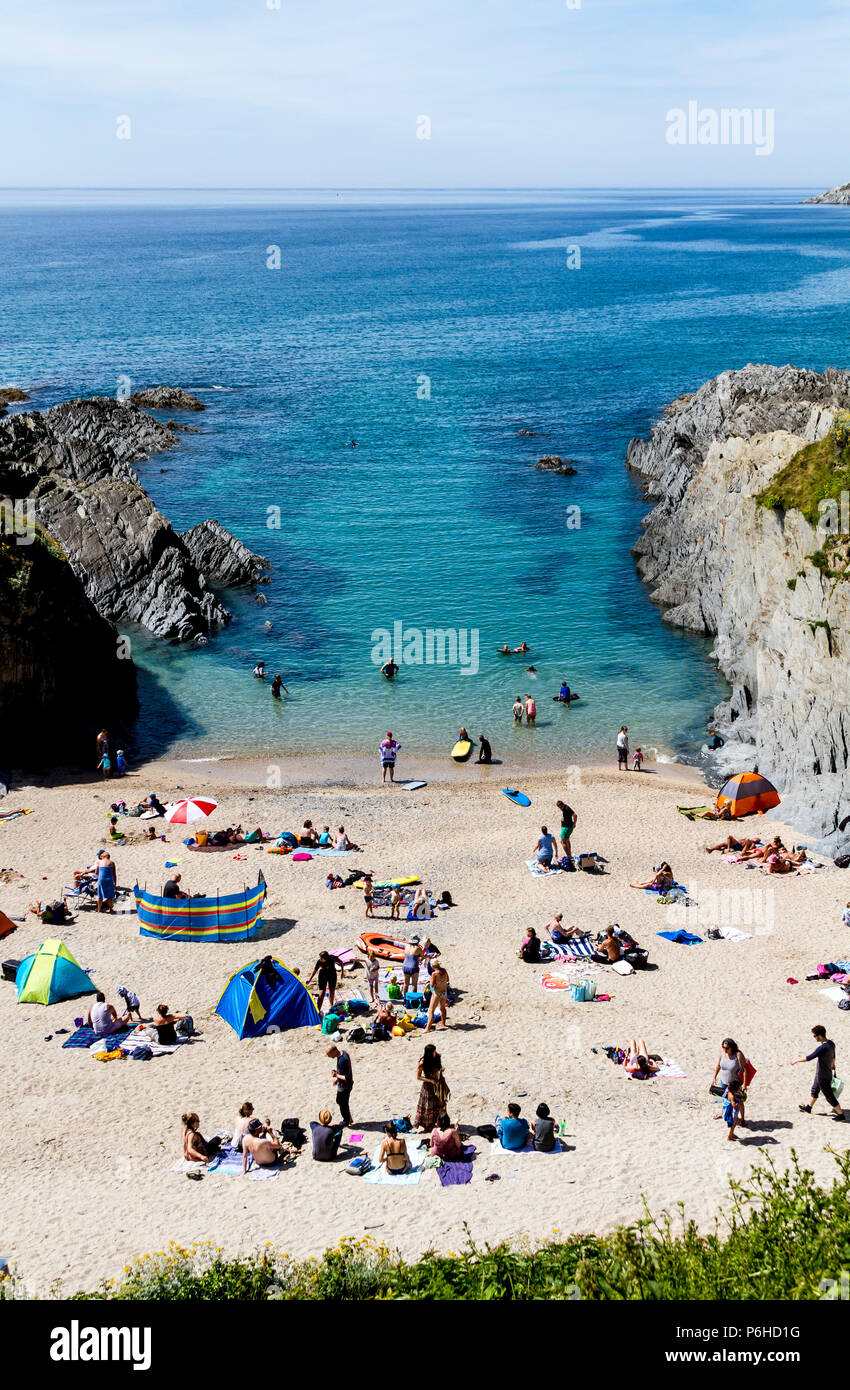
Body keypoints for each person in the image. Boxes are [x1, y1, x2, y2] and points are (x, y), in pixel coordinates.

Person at [793, 1025, 844, 1119]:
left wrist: (796, 1061)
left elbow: (809, 1057)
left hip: (822, 1075)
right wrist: (833, 1065)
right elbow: (833, 1056)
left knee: (829, 1096)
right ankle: (808, 1108)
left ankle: (841, 1115)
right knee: (815, 1089)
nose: (814, 1038)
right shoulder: (831, 1043)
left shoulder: (822, 1048)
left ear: (819, 1036)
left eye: (814, 1036)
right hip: (825, 1072)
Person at [711, 1037, 748, 1124]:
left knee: (739, 1101)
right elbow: (718, 1066)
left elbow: (745, 1070)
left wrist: (744, 1084)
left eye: (727, 1048)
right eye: (723, 1047)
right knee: (725, 1098)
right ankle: (723, 1113)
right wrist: (714, 1077)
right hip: (723, 1081)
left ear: (732, 1047)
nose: (725, 1049)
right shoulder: (722, 1053)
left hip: (735, 1083)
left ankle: (742, 1119)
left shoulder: (738, 1055)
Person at [414, 1043, 450, 1131]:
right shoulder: (422, 1063)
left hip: (438, 1084)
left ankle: (440, 1122)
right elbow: (418, 1077)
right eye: (434, 1051)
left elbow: (439, 1067)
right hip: (428, 1086)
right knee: (428, 1106)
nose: (436, 1052)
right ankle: (428, 1125)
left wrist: (441, 1069)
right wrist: (430, 1080)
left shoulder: (437, 1057)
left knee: (440, 1104)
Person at [327, 1044, 354, 1126]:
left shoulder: (343, 1060)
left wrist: (336, 1075)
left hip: (345, 1086)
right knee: (341, 1101)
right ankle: (349, 1118)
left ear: (334, 1051)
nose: (329, 1056)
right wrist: (337, 1078)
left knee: (342, 1103)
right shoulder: (343, 1053)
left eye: (329, 1055)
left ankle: (346, 1120)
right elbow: (343, 1072)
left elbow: (347, 1077)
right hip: (343, 1084)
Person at [424, 961, 450, 1032]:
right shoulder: (444, 970)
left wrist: (431, 980)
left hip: (437, 993)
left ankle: (427, 1029)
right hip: (444, 992)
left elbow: (432, 985)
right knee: (442, 1008)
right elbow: (447, 979)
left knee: (431, 1011)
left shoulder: (434, 973)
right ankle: (443, 1023)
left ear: (433, 966)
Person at [555, 799, 577, 865]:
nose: (560, 808)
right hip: (566, 826)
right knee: (567, 840)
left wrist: (574, 823)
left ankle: (568, 855)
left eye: (560, 807)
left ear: (563, 805)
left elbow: (575, 815)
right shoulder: (565, 808)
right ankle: (569, 854)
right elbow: (563, 818)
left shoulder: (566, 809)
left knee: (562, 841)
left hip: (567, 827)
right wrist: (561, 825)